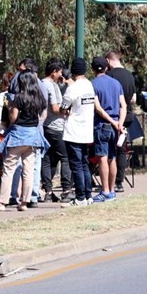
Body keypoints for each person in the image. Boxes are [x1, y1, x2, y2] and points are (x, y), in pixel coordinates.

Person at [0, 71, 48, 212]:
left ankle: (2, 201)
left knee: (8, 168)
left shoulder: (18, 98)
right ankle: (24, 202)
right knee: (28, 170)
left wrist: (9, 106)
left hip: (18, 135)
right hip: (33, 136)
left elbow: (13, 118)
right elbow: (39, 115)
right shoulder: (39, 98)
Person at [60, 58, 97, 208]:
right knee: (84, 163)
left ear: (73, 71)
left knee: (76, 165)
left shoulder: (73, 88)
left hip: (74, 130)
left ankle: (80, 197)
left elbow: (63, 108)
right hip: (86, 130)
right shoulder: (89, 85)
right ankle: (88, 195)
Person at [89, 56, 125, 203]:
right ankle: (111, 190)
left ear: (92, 69)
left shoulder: (92, 84)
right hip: (115, 126)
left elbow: (98, 108)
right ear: (106, 68)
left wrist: (112, 121)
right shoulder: (116, 84)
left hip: (101, 125)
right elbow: (123, 105)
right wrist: (119, 124)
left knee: (102, 157)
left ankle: (104, 191)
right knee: (113, 158)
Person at [40, 58, 72, 202]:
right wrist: (66, 110)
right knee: (65, 158)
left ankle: (48, 190)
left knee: (48, 159)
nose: (61, 75)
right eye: (59, 72)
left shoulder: (40, 83)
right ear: (53, 72)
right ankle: (66, 189)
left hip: (45, 126)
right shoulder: (51, 85)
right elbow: (54, 108)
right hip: (56, 126)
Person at [105, 51, 137, 194]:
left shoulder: (110, 76)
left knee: (111, 150)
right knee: (122, 149)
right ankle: (119, 181)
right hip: (128, 116)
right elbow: (133, 99)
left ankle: (110, 181)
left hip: (113, 117)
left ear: (108, 60)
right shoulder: (130, 76)